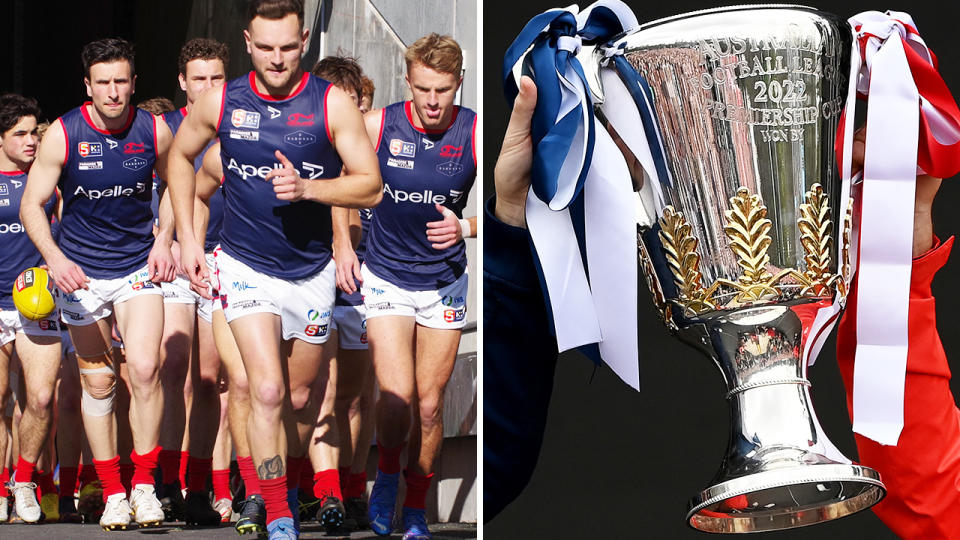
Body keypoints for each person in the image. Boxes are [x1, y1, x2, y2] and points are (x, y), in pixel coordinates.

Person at [165, 1, 382, 538]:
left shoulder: (331, 104)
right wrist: (188, 239)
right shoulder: (222, 101)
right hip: (243, 267)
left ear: (304, 40)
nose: (277, 58)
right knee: (264, 390)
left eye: (287, 47)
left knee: (301, 397)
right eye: (265, 47)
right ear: (246, 42)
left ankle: (282, 480)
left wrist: (309, 189)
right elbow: (178, 158)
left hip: (310, 273)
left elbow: (370, 183)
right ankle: (276, 507)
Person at [20, 38, 177, 530]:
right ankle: (112, 491)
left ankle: (145, 486)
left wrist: (165, 238)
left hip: (136, 266)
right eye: (103, 82)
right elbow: (32, 205)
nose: (113, 92)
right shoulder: (64, 134)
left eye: (122, 81)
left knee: (148, 367)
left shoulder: (154, 129)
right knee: (100, 381)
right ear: (87, 86)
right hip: (81, 274)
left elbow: (178, 182)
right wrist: (56, 258)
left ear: (135, 83)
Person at [361, 33, 477, 540]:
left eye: (444, 91)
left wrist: (466, 227)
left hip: (443, 282)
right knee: (396, 397)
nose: (433, 102)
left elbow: (522, 206)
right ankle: (387, 470)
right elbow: (347, 184)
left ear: (458, 85)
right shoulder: (378, 125)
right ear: (408, 81)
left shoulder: (474, 132)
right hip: (386, 275)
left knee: (429, 405)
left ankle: (415, 505)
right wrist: (346, 250)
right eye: (424, 89)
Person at [154, 37, 229, 527]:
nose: (207, 86)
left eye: (216, 78)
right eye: (198, 78)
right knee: (172, 364)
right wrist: (165, 239)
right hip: (180, 256)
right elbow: (159, 190)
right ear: (182, 83)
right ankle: (161, 482)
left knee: (209, 380)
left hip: (229, 261)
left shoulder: (246, 120)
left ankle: (198, 487)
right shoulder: (163, 131)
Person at [311, 54, 375, 532]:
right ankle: (324, 490)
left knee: (356, 396)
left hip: (365, 284)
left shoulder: (378, 145)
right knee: (320, 392)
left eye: (353, 103)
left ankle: (353, 487)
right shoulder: (307, 147)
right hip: (313, 278)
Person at [0, 93, 62, 524]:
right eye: (19, 134)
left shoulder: (50, 182)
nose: (30, 141)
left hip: (35, 301)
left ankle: (24, 481)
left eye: (33, 132)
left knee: (40, 397)